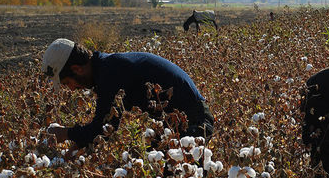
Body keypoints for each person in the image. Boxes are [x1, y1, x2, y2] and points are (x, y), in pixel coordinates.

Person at [42, 38, 214, 151]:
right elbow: (104, 128)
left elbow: (101, 131)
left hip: (194, 123)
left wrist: (64, 134)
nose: (71, 89)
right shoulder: (107, 67)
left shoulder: (111, 73)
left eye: (67, 83)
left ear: (77, 69)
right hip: (181, 124)